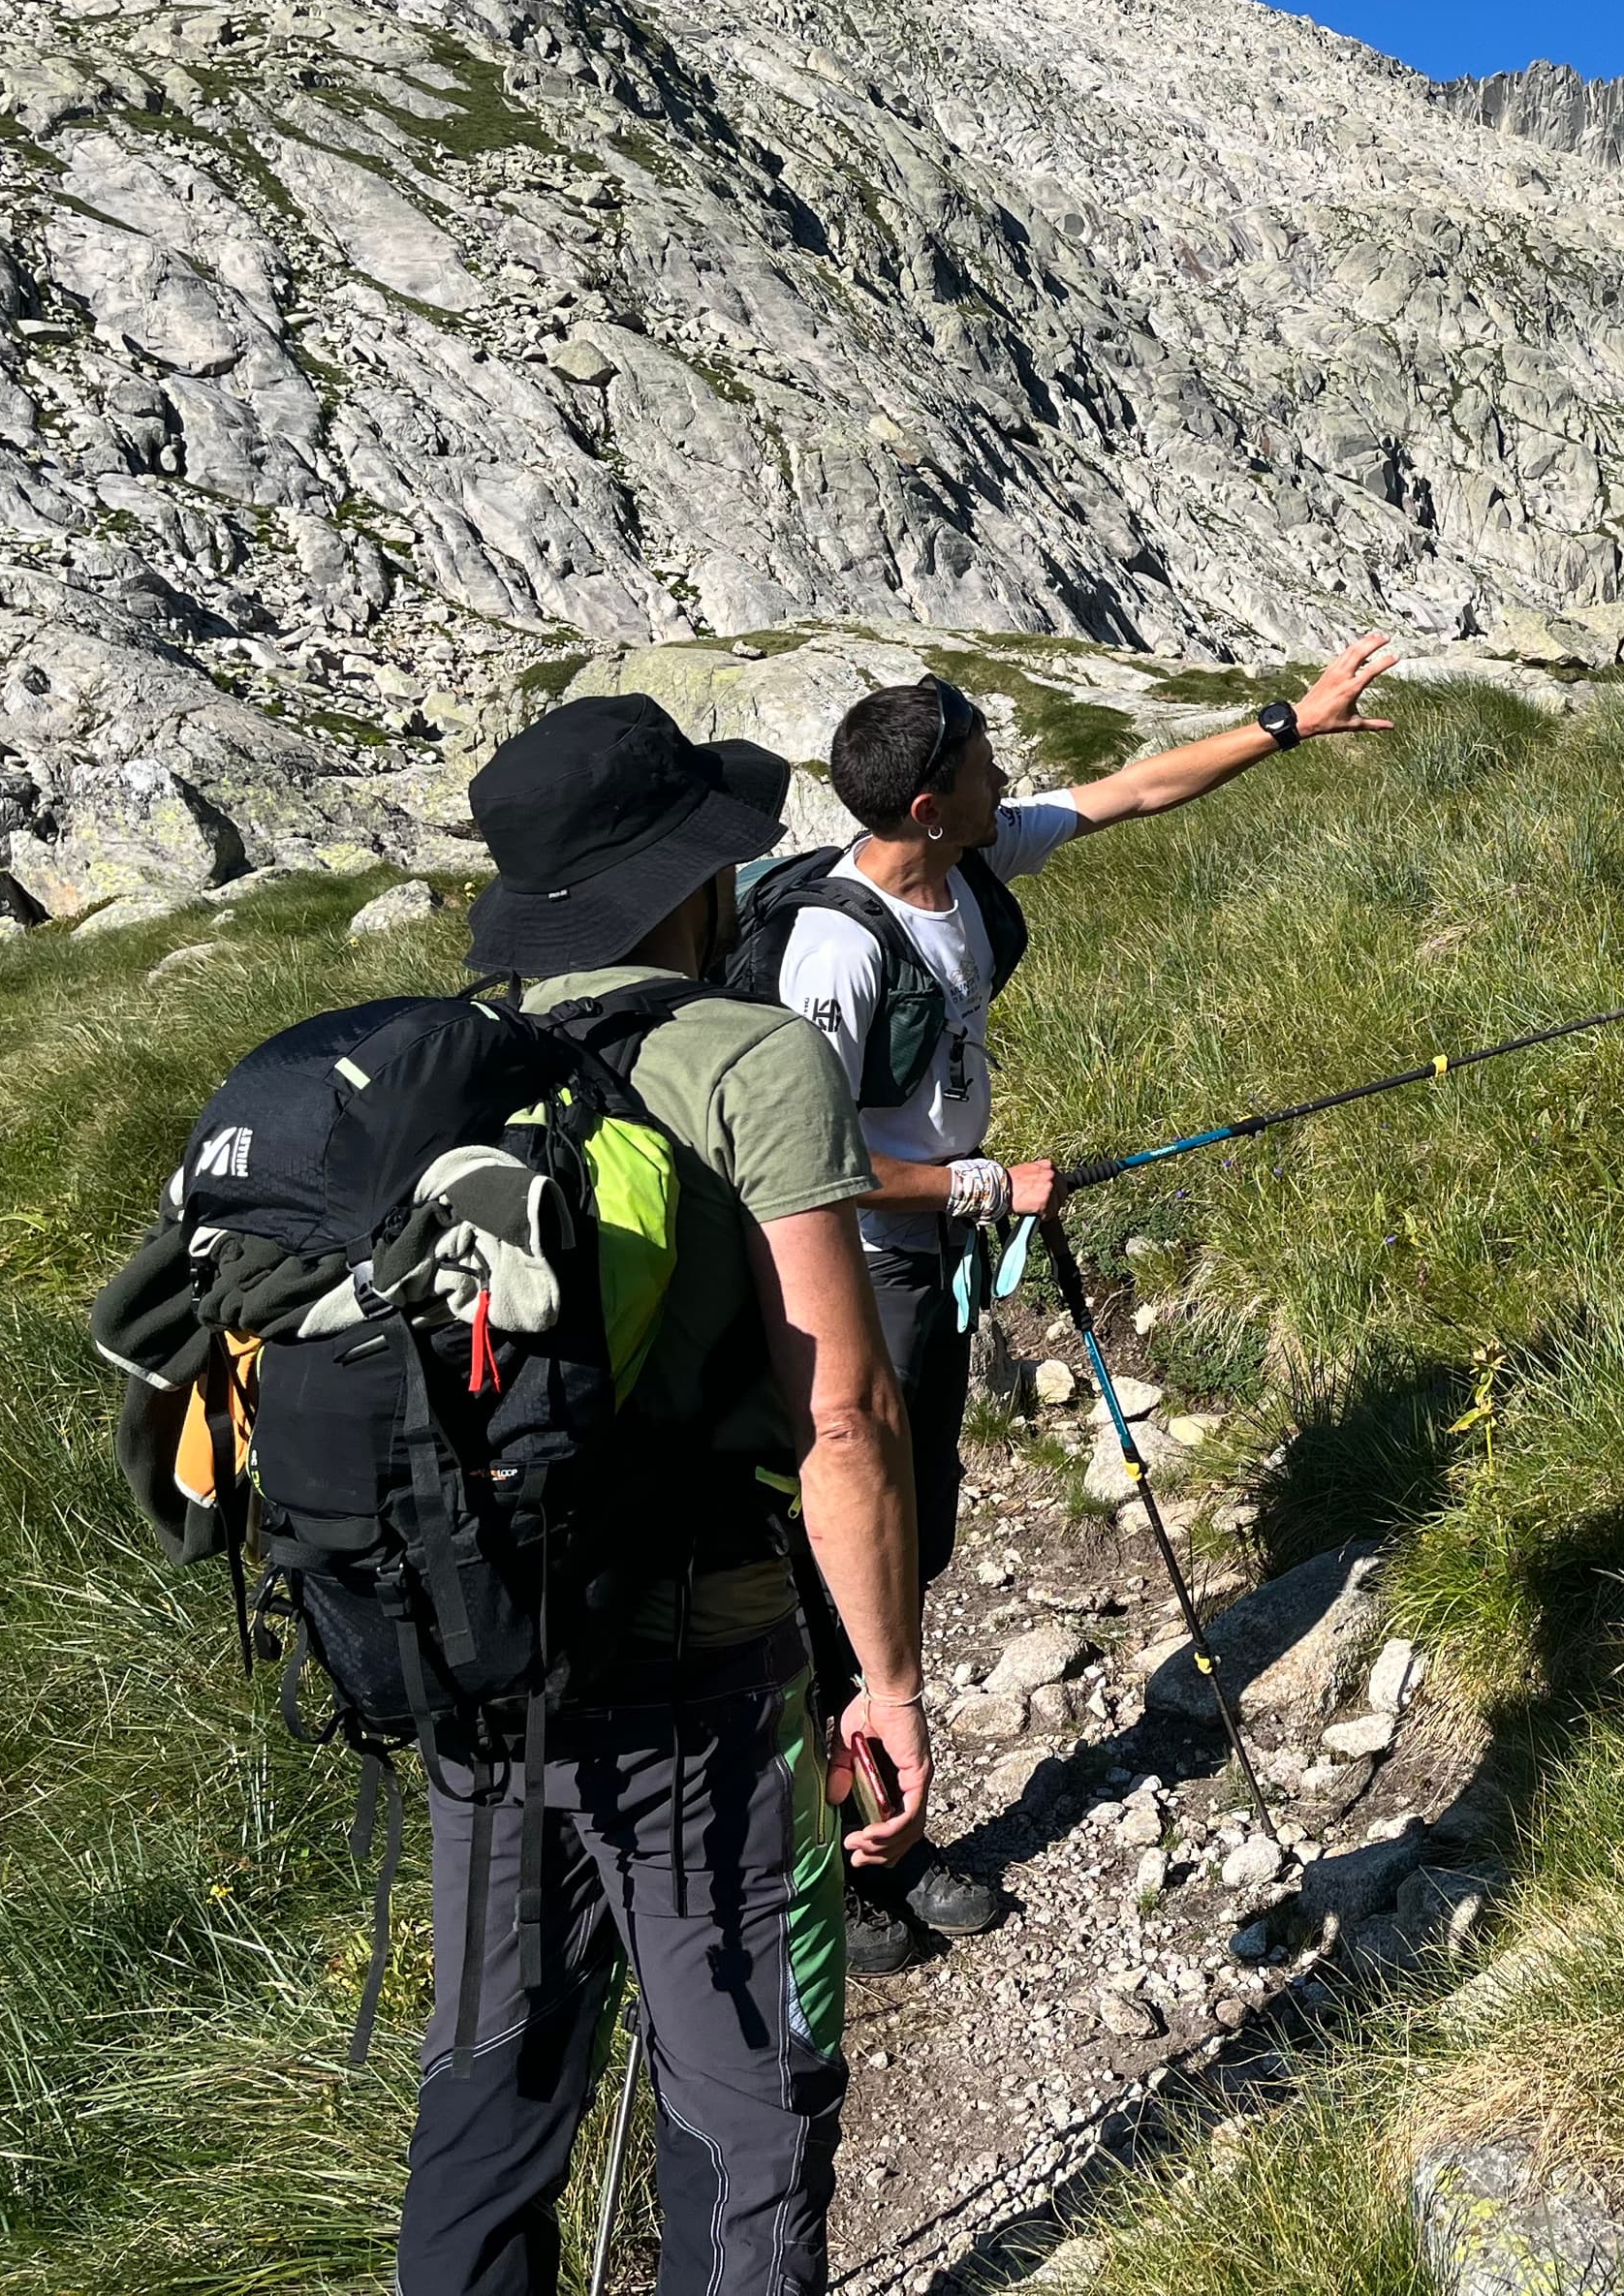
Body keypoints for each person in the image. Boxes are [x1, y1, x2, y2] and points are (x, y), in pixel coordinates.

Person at [403, 692, 929, 2296]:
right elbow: (843, 1413)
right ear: (689, 879)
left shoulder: (450, 1067)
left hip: (480, 1664)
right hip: (704, 1670)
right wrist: (890, 1684)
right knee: (750, 2100)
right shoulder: (750, 1057)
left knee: (488, 2091)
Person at [781, 634, 1400, 1965]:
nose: (1007, 777)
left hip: (933, 1254)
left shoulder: (965, 859)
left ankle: (872, 1828)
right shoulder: (832, 952)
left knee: (916, 1528)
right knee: (861, 1546)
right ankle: (843, 1872)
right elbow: (804, 1164)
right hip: (868, 1268)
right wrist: (980, 1185)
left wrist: (1288, 724)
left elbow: (1132, 791)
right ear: (928, 805)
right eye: (981, 765)